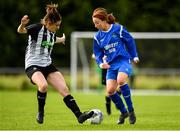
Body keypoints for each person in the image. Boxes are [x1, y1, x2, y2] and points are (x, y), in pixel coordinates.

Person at [17, 3, 94, 124]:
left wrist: (62, 39)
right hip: (33, 65)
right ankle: (41, 112)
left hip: (47, 65)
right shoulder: (37, 28)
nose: (58, 27)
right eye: (57, 25)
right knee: (43, 86)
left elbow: (53, 39)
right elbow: (21, 31)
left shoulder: (52, 33)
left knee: (64, 89)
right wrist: (22, 24)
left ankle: (79, 115)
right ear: (48, 23)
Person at [92, 7, 139, 124]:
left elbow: (130, 41)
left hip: (123, 61)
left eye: (97, 23)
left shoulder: (118, 29)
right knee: (110, 91)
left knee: (121, 80)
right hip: (111, 65)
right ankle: (124, 112)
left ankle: (131, 110)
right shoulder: (97, 37)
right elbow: (97, 54)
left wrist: (134, 55)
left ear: (104, 21)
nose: (95, 25)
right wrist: (101, 64)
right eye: (94, 23)